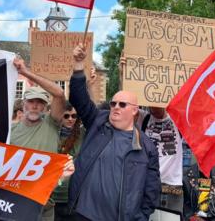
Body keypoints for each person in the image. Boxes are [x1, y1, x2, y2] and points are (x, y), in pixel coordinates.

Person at [68, 44, 161, 221]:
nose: (116, 107)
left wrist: (139, 217)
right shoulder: (98, 122)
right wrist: (78, 65)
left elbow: (151, 191)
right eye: (113, 103)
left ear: (135, 110)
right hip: (82, 215)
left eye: (122, 104)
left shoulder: (146, 147)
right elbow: (78, 98)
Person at [10, 57, 68, 221]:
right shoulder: (11, 131)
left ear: (45, 107)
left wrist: (25, 72)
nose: (35, 106)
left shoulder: (51, 124)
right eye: (31, 101)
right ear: (23, 105)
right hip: (14, 201)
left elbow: (59, 93)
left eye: (40, 102)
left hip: (42, 204)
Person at [137, 106, 184, 214]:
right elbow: (128, 105)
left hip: (173, 187)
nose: (155, 107)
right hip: (148, 185)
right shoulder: (143, 117)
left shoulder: (178, 119)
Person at [53, 102, 85, 221]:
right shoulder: (52, 133)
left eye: (73, 116)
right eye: (66, 116)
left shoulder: (82, 134)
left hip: (73, 195)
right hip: (53, 194)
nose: (70, 119)